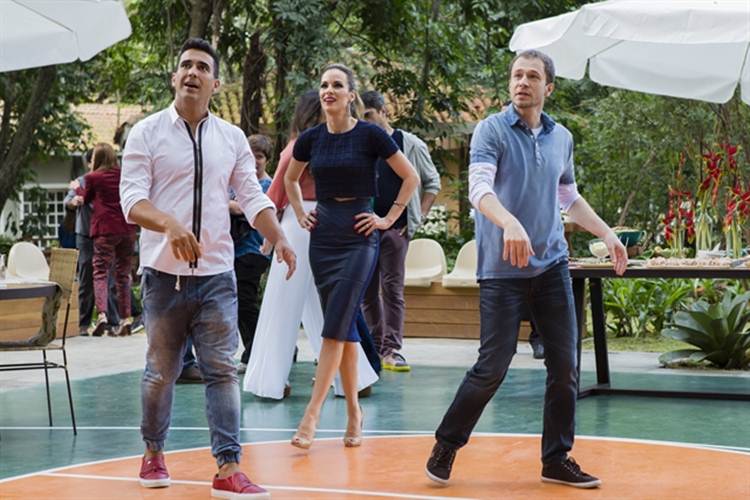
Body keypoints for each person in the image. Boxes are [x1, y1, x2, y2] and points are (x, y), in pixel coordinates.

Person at [424, 50, 627, 489]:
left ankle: (556, 459)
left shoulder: (561, 138)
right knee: (492, 366)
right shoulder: (491, 130)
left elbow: (568, 196)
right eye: (517, 75)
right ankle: (447, 443)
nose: (522, 82)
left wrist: (608, 234)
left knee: (565, 366)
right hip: (501, 270)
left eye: (532, 76)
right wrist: (509, 222)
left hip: (551, 266)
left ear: (547, 87)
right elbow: (479, 188)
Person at [120, 37, 295, 498]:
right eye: (186, 65)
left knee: (222, 370)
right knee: (161, 372)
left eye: (202, 67)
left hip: (218, 275)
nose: (193, 72)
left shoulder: (232, 138)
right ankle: (153, 453)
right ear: (174, 77)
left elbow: (252, 196)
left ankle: (228, 467)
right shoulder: (146, 133)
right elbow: (132, 200)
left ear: (215, 83)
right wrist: (169, 224)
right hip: (163, 277)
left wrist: (279, 237)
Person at [285, 63, 418, 449]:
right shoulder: (311, 139)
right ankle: (354, 413)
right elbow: (290, 179)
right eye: (324, 84)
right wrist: (300, 212)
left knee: (335, 325)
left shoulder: (370, 134)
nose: (328, 90)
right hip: (324, 236)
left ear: (350, 95)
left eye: (337, 85)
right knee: (341, 326)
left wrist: (387, 218)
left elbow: (410, 177)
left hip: (360, 236)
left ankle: (311, 415)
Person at [243, 91, 379, 400]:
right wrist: (273, 235)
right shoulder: (308, 146)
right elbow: (278, 193)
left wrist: (272, 235)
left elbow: (275, 195)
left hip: (314, 224)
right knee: (314, 304)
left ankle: (273, 380)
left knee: (301, 303)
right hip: (309, 223)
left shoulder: (314, 145)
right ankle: (351, 379)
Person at [360, 90, 442, 372]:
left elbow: (432, 183)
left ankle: (392, 349)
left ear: (384, 112)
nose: (365, 122)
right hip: (364, 229)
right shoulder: (361, 145)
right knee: (367, 291)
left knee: (392, 289)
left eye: (369, 116)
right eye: (361, 117)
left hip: (396, 228)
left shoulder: (409, 144)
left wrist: (418, 217)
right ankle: (374, 347)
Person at [78, 143, 137, 337]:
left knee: (100, 272)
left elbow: (86, 199)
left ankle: (102, 315)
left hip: (105, 230)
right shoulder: (124, 175)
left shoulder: (93, 177)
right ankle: (125, 319)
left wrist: (77, 189)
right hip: (127, 229)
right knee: (123, 274)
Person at [64, 150, 120, 336]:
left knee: (109, 276)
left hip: (105, 233)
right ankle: (84, 324)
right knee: (86, 277)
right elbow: (68, 200)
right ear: (89, 163)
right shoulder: (81, 181)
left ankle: (112, 322)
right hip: (86, 234)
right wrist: (74, 201)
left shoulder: (110, 181)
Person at [234, 134, 273, 374]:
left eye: (259, 156)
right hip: (233, 251)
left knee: (245, 303)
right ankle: (278, 349)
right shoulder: (237, 182)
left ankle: (254, 353)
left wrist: (232, 206)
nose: (255, 161)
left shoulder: (268, 186)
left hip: (255, 251)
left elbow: (249, 209)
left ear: (267, 159)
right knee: (239, 303)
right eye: (251, 156)